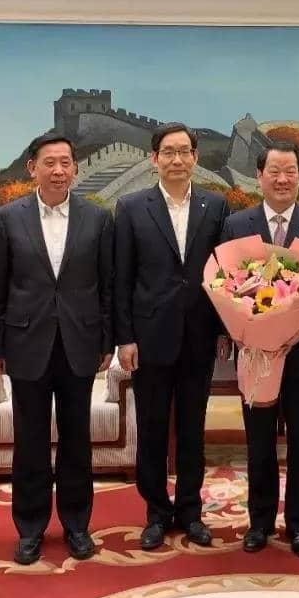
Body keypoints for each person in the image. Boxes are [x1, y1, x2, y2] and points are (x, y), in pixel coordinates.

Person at [0, 133, 114, 564]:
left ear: (75, 168)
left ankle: (77, 525)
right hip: (26, 343)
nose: (58, 170)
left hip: (81, 342)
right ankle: (30, 528)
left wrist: (107, 339)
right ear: (33, 168)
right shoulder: (7, 218)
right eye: (49, 162)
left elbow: (106, 286)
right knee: (30, 440)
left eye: (65, 162)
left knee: (77, 439)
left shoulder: (98, 218)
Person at [219, 141, 299, 558]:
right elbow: (223, 284)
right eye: (274, 171)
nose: (282, 179)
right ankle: (258, 523)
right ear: (259, 176)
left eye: (290, 171)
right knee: (258, 442)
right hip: (256, 355)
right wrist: (242, 327)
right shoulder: (237, 224)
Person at [115, 122, 231, 550]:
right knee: (151, 428)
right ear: (154, 159)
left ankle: (190, 511)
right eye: (168, 152)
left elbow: (225, 273)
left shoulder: (215, 206)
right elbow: (121, 277)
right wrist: (125, 337)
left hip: (199, 335)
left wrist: (224, 329)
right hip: (150, 337)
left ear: (195, 158)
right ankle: (155, 513)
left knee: (192, 429)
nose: (177, 159)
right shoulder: (131, 207)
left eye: (184, 152)